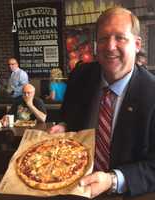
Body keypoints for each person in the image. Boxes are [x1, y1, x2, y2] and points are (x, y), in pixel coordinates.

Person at [49, 7, 155, 197]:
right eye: (103, 38)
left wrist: (112, 180)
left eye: (120, 38)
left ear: (137, 44)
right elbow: (67, 117)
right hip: (70, 185)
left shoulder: (152, 93)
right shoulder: (80, 75)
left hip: (125, 194)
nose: (110, 46)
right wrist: (64, 127)